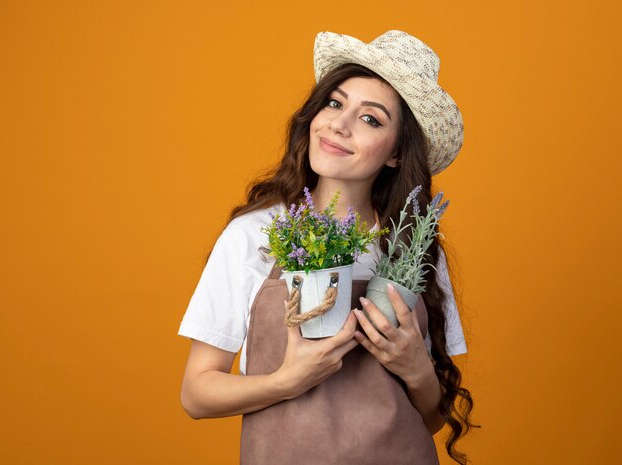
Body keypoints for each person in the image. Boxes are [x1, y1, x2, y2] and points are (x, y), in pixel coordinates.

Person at [178, 30, 478, 465]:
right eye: (335, 103)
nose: (338, 124)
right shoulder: (254, 235)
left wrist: (416, 367)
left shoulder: (414, 249)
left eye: (370, 119)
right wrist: (287, 380)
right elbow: (196, 393)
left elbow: (429, 420)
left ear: (396, 154)